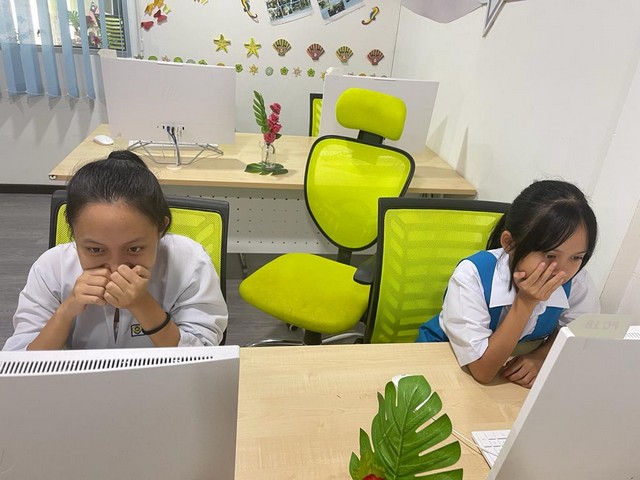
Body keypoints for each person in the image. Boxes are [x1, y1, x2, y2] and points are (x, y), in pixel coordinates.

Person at [3, 150, 227, 351]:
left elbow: (205, 355)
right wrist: (67, 310)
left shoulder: (189, 262)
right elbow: (20, 364)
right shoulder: (52, 267)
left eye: (134, 248)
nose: (116, 267)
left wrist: (142, 304)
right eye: (95, 249)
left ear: (161, 228)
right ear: (73, 232)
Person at [416, 180, 600, 388]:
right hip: (441, 360)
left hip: (507, 368)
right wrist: (526, 301)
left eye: (576, 257)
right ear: (509, 243)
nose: (563, 271)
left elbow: (578, 333)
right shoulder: (472, 275)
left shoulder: (577, 280)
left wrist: (541, 356)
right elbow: (483, 371)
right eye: (550, 255)